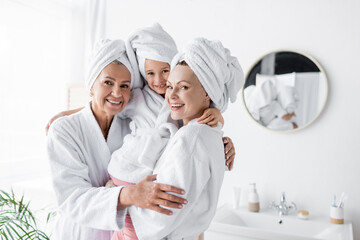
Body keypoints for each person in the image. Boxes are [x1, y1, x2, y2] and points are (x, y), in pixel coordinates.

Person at [47, 39, 187, 240]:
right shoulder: (64, 130)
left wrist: (220, 139)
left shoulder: (134, 126)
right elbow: (72, 198)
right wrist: (130, 194)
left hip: (123, 233)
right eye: (108, 82)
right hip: (78, 234)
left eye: (125, 86)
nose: (117, 93)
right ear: (91, 83)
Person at [45, 23, 236, 169]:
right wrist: (66, 114)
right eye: (150, 73)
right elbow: (105, 106)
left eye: (165, 71)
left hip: (170, 163)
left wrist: (217, 116)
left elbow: (198, 125)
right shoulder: (139, 97)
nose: (159, 80)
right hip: (137, 163)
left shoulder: (181, 100)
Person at [113, 37, 244, 240]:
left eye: (183, 87)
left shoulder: (190, 138)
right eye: (170, 86)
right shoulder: (207, 133)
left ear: (207, 93)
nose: (171, 95)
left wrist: (116, 200)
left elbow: (162, 214)